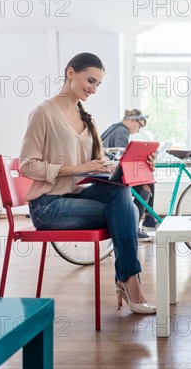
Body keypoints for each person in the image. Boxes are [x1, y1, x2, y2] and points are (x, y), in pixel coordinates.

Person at [19, 52, 156, 314]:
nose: (93, 89)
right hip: (48, 206)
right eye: (90, 81)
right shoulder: (43, 112)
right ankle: (130, 282)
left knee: (121, 194)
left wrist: (131, 164)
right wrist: (76, 168)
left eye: (98, 84)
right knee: (124, 210)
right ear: (71, 73)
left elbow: (97, 164)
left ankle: (127, 280)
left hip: (76, 194)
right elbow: (27, 165)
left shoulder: (87, 118)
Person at [101, 109, 159, 240]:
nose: (138, 130)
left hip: (106, 174)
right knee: (145, 186)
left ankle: (148, 219)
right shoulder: (122, 130)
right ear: (132, 120)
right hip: (110, 177)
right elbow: (123, 158)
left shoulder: (114, 127)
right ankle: (134, 228)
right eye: (140, 126)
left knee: (147, 180)